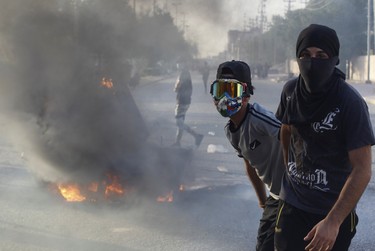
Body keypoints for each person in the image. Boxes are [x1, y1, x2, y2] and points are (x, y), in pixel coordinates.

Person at [275, 24, 375, 251]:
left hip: (333, 211)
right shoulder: (290, 91)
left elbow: (362, 170)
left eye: (321, 55)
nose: (312, 62)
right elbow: (286, 130)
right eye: (305, 55)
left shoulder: (350, 103)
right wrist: (287, 168)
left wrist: (332, 221)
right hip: (293, 204)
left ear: (334, 59)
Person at [210, 60, 285, 251]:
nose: (225, 97)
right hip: (275, 196)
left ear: (246, 96)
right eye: (220, 90)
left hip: (292, 194)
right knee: (263, 243)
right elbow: (250, 164)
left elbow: (290, 136)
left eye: (232, 91)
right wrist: (262, 199)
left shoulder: (260, 119)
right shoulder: (231, 131)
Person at [172, 60, 204, 148]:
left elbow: (176, 88)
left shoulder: (182, 74)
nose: (177, 65)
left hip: (181, 101)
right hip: (186, 101)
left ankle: (196, 136)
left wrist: (175, 87)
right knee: (181, 122)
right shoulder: (187, 74)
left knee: (179, 123)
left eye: (178, 63)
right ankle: (177, 142)